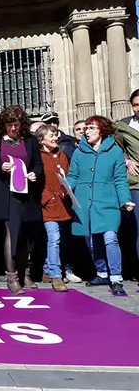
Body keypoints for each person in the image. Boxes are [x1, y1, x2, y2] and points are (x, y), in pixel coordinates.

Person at [68, 116, 134, 296]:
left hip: (108, 202)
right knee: (92, 240)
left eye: (91, 128)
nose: (86, 131)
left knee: (110, 238)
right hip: (84, 203)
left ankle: (116, 277)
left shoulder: (115, 152)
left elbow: (120, 179)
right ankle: (102, 272)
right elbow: (73, 176)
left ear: (102, 131)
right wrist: (66, 186)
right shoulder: (79, 152)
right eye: (86, 128)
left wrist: (125, 200)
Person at [0, 106, 44, 294]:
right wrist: (1, 167)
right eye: (9, 125)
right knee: (12, 232)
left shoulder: (30, 141)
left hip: (27, 193)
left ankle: (24, 272)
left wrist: (34, 174)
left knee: (26, 234)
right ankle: (12, 276)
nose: (13, 128)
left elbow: (38, 165)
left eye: (16, 125)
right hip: (6, 193)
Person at [35, 124, 73, 292]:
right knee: (54, 238)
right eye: (51, 135)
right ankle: (56, 275)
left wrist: (67, 188)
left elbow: (68, 176)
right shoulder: (38, 156)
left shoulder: (62, 156)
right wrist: (48, 198)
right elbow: (38, 181)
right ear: (42, 140)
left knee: (60, 238)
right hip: (48, 205)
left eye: (56, 135)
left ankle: (47, 270)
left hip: (63, 204)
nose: (56, 138)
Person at [114, 89, 139, 281]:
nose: (138, 108)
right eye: (136, 105)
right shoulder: (123, 126)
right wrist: (126, 160)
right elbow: (115, 149)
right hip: (135, 182)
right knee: (136, 228)